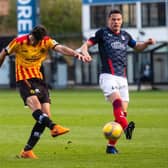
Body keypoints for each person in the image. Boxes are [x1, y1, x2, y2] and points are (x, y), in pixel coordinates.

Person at [0, 25, 90, 159]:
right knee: (38, 110)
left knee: (45, 116)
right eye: (32, 39)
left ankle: (27, 151)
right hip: (24, 79)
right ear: (30, 34)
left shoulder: (46, 41)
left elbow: (60, 48)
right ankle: (54, 126)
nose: (33, 42)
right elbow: (3, 52)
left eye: (36, 41)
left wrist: (75, 53)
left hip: (40, 80)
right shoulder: (18, 42)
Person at [80, 9, 155, 154]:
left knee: (121, 115)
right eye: (113, 19)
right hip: (108, 76)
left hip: (123, 78)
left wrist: (146, 43)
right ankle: (127, 129)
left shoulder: (125, 35)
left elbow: (137, 47)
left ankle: (111, 146)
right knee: (118, 103)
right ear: (109, 21)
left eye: (118, 19)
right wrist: (85, 52)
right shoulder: (102, 33)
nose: (116, 22)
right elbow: (86, 45)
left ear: (122, 21)